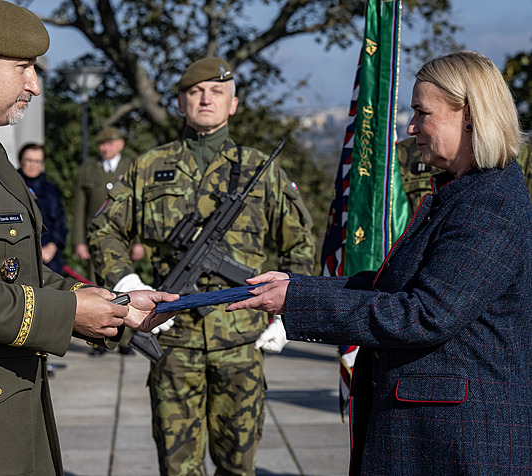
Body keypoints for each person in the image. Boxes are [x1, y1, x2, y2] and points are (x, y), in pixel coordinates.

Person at [0, 1, 177, 474]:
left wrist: (112, 304)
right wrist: (69, 312)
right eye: (23, 68)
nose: (33, 83)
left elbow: (10, 270)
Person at [228, 50, 532, 475]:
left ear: (468, 115)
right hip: (435, 436)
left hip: (459, 443)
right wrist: (296, 288)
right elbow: (394, 287)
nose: (411, 128)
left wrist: (297, 301)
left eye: (422, 113)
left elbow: (425, 313)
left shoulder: (490, 203)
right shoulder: (463, 193)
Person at [89, 57, 315, 475]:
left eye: (217, 91)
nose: (205, 98)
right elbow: (104, 230)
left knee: (238, 467)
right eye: (195, 92)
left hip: (241, 343)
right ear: (179, 103)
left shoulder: (260, 170)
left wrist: (288, 311)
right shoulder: (147, 167)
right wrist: (127, 281)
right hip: (173, 343)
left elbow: (299, 241)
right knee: (179, 469)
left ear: (233, 104)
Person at [72, 126, 133, 282]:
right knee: (95, 284)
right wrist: (79, 242)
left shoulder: (131, 168)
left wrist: (138, 243)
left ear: (121, 144)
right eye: (101, 144)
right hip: (95, 238)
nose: (104, 148)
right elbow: (79, 209)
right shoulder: (88, 170)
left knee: (125, 283)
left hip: (124, 237)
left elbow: (138, 207)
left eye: (109, 143)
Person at [18, 142, 67, 275]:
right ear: (21, 160)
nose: (33, 165)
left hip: (49, 256)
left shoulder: (51, 190)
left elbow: (59, 222)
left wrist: (53, 246)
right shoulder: (11, 185)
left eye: (38, 161)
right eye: (29, 160)